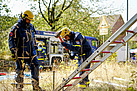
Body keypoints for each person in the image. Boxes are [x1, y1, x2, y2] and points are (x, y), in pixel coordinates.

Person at [8, 10, 42, 91]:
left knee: (36, 67)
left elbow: (33, 38)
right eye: (28, 19)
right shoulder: (16, 27)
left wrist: (36, 48)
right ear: (24, 17)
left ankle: (36, 87)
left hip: (31, 53)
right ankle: (19, 88)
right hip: (20, 53)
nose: (29, 21)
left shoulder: (31, 26)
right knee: (20, 71)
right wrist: (13, 51)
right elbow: (11, 39)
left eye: (30, 20)